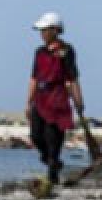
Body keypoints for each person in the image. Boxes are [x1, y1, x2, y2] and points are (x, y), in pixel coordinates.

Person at [25, 12, 85, 184]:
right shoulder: (39, 52)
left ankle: (52, 173)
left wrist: (79, 101)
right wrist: (28, 102)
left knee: (53, 138)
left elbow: (72, 78)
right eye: (41, 31)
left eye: (45, 30)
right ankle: (51, 161)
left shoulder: (67, 51)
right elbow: (34, 77)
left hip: (57, 97)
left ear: (55, 30)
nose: (42, 34)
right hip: (40, 97)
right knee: (36, 136)